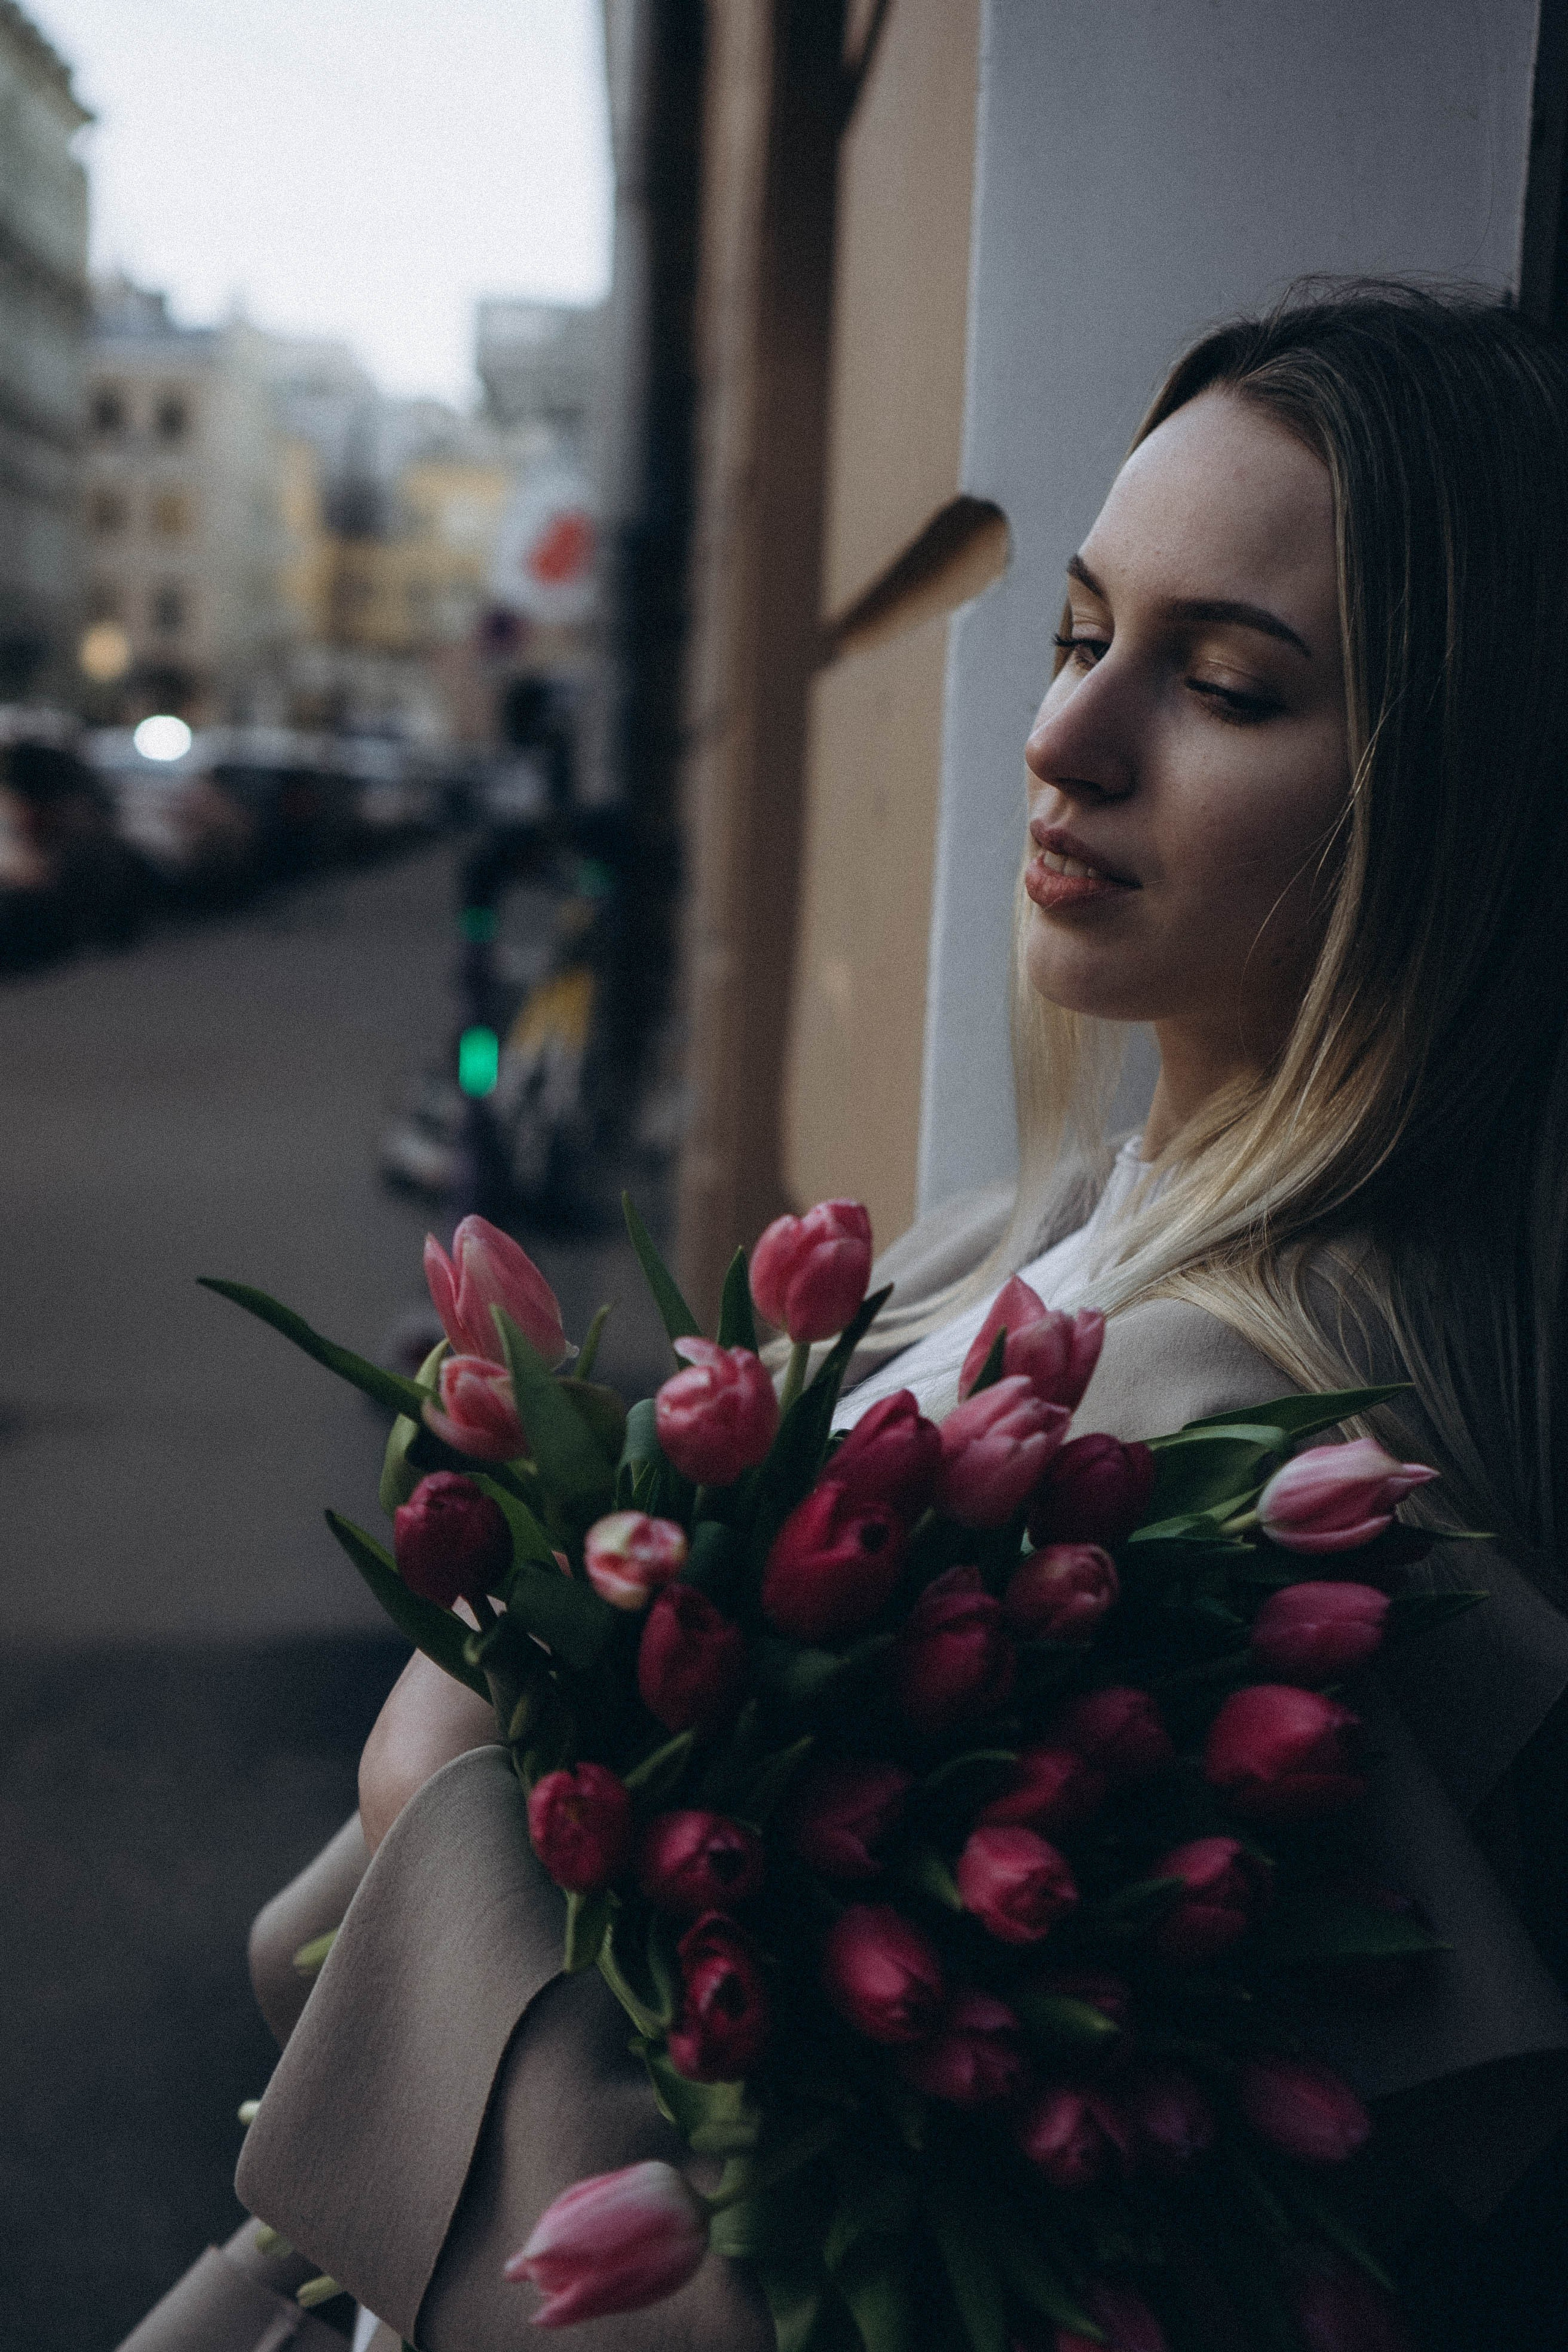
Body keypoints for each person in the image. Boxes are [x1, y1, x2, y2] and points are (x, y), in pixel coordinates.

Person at [123, 284, 1568, 2351]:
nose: (1065, 741)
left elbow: (771, 2298)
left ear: (1469, 805)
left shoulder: (1251, 1446)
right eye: (1081, 635)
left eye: (1231, 686)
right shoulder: (1035, 1246)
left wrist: (444, 1778)